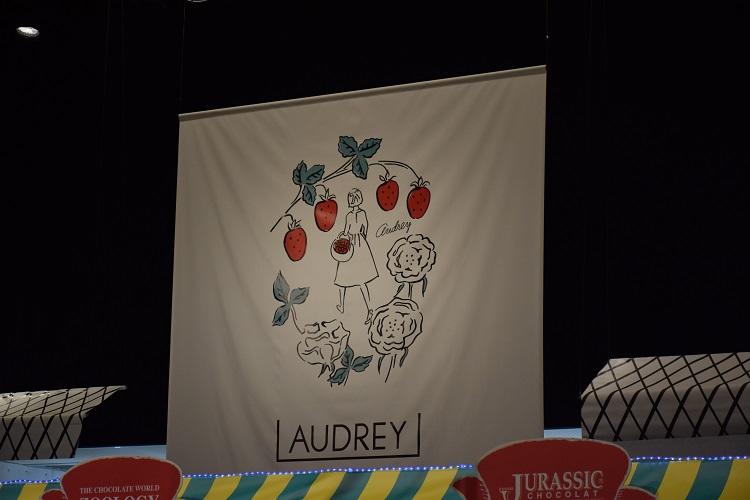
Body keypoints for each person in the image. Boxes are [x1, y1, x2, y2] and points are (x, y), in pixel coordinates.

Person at [334, 188, 378, 323]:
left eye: (353, 198)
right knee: (359, 280)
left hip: (352, 245)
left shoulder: (350, 215)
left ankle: (344, 306)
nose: (352, 201)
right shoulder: (361, 214)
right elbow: (365, 228)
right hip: (360, 244)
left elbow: (346, 231)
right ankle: (367, 309)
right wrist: (360, 239)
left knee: (344, 278)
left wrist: (343, 237)